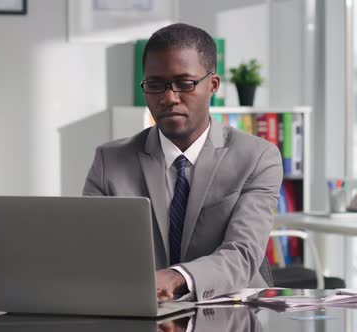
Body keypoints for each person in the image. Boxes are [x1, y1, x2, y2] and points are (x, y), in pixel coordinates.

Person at [83, 23, 282, 301]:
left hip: (231, 312)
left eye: (184, 84)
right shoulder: (109, 161)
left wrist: (176, 277)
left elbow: (242, 254)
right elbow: (90, 251)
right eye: (155, 85)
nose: (169, 98)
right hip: (139, 311)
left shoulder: (257, 157)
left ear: (212, 85)